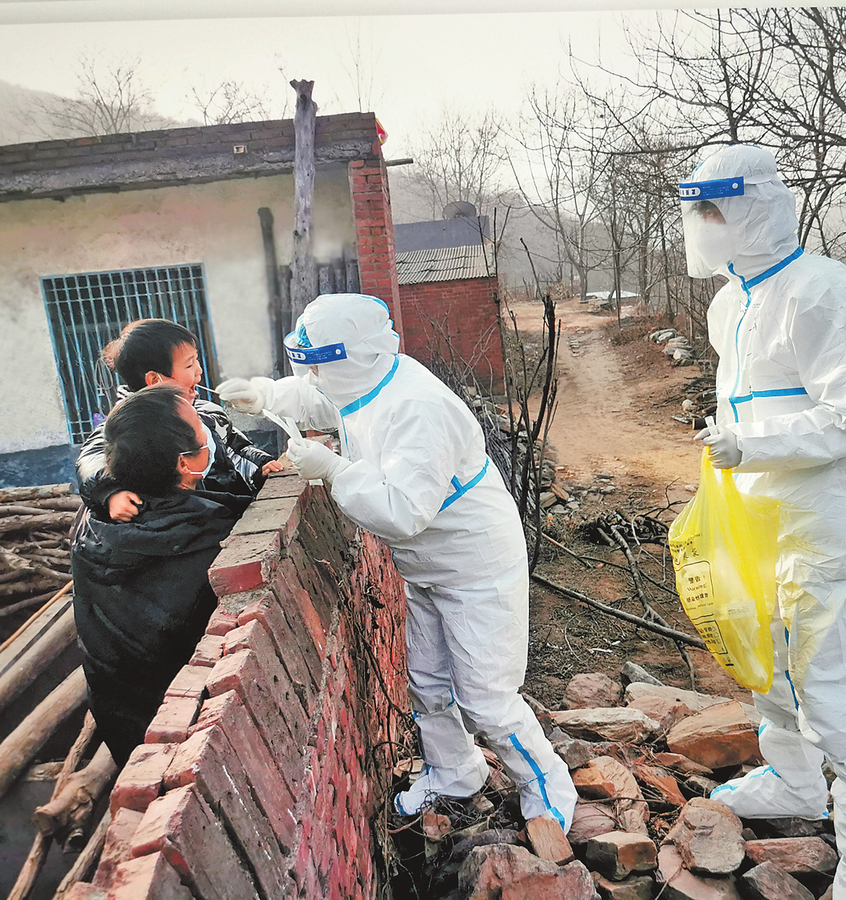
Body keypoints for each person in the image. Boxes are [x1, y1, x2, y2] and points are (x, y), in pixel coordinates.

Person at [216, 292, 578, 832]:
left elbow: (404, 512)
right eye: (306, 364)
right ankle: (455, 772)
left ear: (354, 356)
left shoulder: (416, 408)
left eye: (321, 364)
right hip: (429, 565)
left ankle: (549, 789)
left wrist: (336, 471)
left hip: (474, 566)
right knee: (428, 683)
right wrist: (266, 393)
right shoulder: (368, 378)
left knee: (485, 699)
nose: (313, 376)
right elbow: (325, 399)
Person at [681, 145, 846, 900]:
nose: (703, 226)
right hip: (754, 511)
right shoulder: (729, 303)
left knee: (828, 673)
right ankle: (794, 780)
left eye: (716, 210)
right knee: (764, 657)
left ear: (759, 208)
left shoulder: (823, 294)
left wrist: (754, 443)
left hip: (821, 515)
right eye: (697, 211)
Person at [70, 386, 250, 764]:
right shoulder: (206, 536)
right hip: (183, 741)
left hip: (122, 725)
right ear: (184, 463)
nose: (209, 437)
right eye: (203, 434)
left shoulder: (96, 519)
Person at [76, 319, 281, 522]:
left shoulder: (206, 412)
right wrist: (110, 493)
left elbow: (236, 448)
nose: (199, 372)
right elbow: (90, 461)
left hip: (227, 516)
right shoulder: (124, 429)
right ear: (155, 380)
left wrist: (261, 467)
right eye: (189, 365)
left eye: (197, 360)